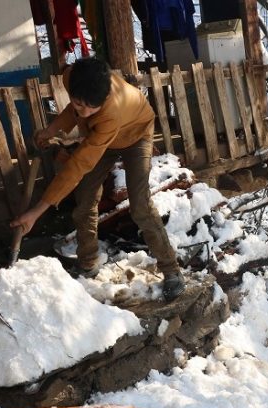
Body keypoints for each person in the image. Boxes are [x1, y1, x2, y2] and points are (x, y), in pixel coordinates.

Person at [11, 57, 185, 301]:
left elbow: (78, 165)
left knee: (140, 205)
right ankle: (88, 261)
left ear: (103, 101)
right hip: (103, 136)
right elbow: (74, 110)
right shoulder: (74, 75)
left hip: (136, 133)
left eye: (89, 108)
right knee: (85, 199)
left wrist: (37, 211)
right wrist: (51, 131)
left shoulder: (110, 114)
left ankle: (172, 270)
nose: (83, 111)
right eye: (78, 102)